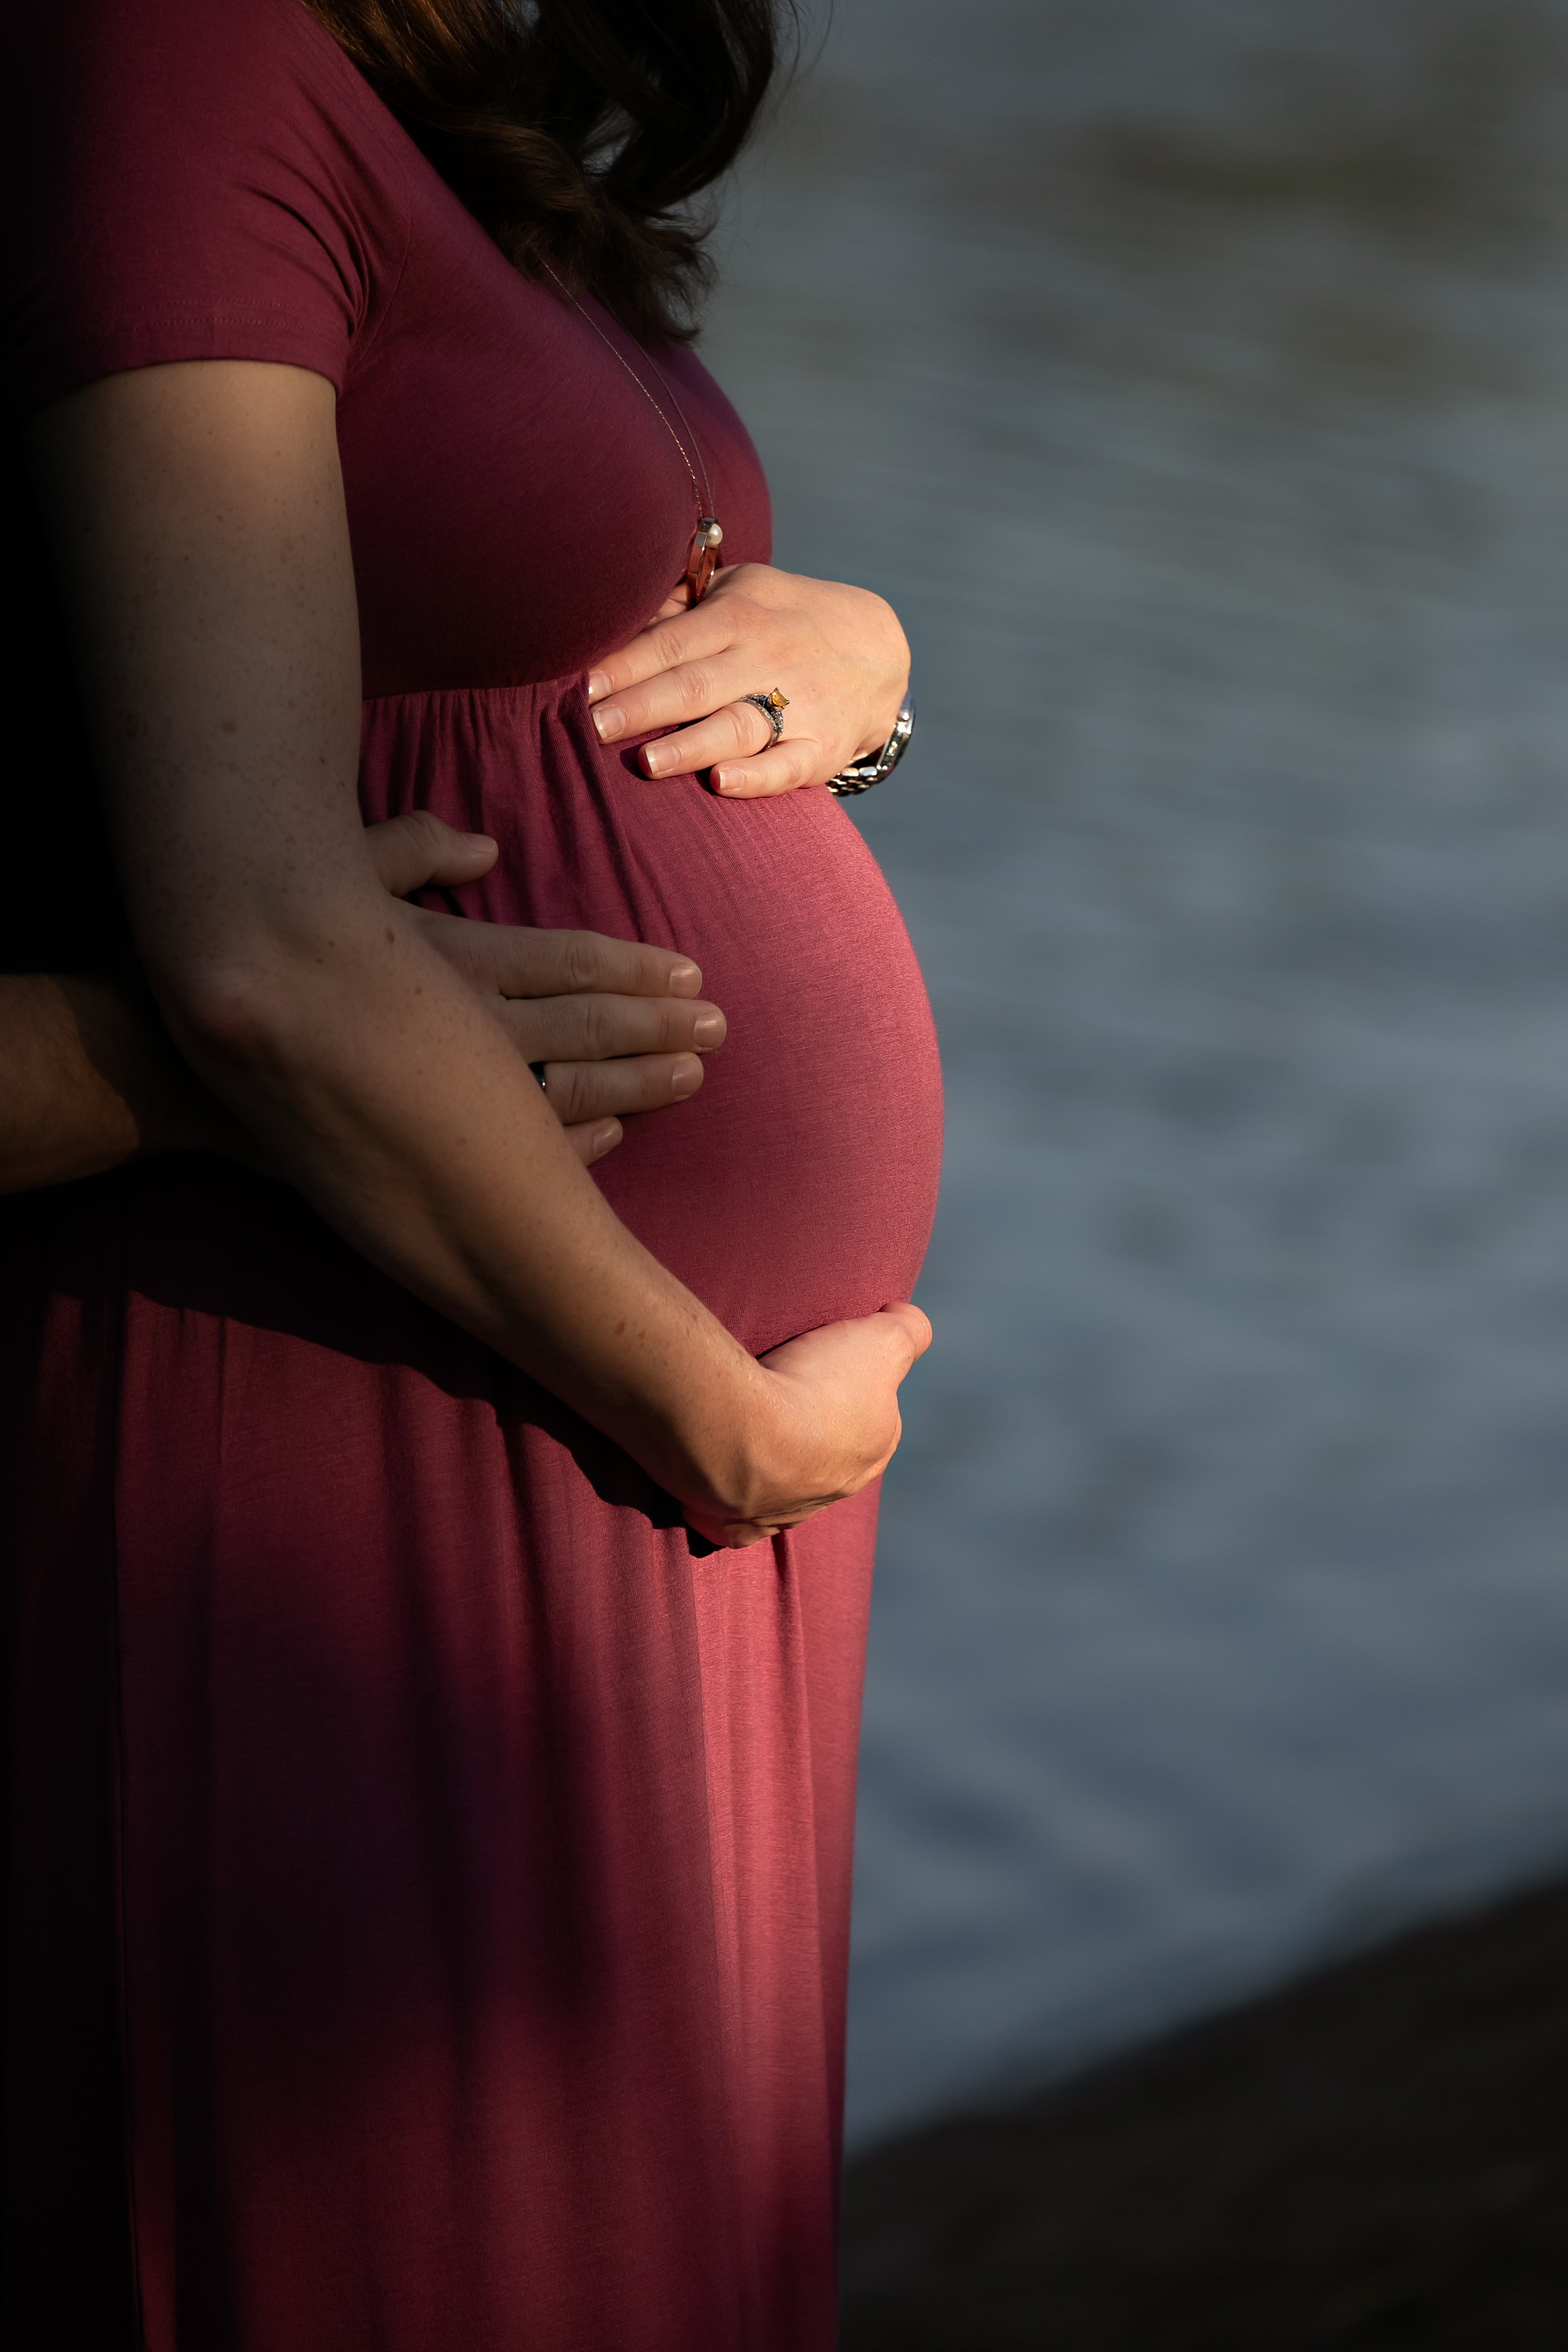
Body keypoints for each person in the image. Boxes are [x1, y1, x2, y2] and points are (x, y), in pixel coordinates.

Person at [0, 1, 943, 2346]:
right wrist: (709, 1421)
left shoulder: (419, 107)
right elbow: (264, 947)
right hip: (383, 1391)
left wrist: (860, 646)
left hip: (575, 1411)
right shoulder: (167, 47)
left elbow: (527, 600)